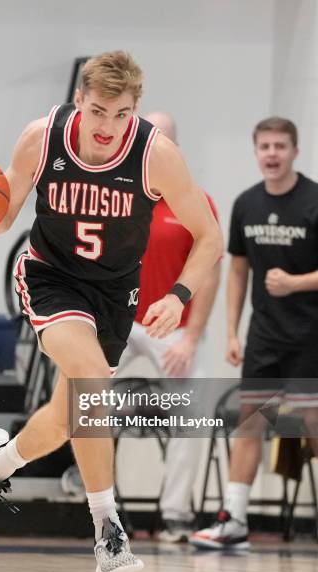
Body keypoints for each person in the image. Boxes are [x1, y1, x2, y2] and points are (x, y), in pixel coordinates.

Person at [0, 51, 222, 572]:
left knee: (67, 416)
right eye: (98, 111)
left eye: (121, 114)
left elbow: (210, 236)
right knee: (93, 383)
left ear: (135, 108)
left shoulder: (154, 155)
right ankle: (107, 528)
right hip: (51, 278)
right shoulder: (43, 136)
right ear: (80, 100)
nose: (108, 126)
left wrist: (178, 295)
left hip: (114, 294)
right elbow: (2, 214)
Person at [190, 117, 318, 550]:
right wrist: (231, 331)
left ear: (295, 151)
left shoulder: (314, 200)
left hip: (310, 336)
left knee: (313, 427)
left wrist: (296, 283)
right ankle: (234, 521)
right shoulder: (246, 203)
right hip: (264, 336)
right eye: (265, 146)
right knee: (252, 423)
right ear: (256, 152)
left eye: (280, 146)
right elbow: (238, 271)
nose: (272, 154)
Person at [116, 111, 221, 542]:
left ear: (173, 147)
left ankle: (176, 513)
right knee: (76, 396)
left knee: (190, 417)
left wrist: (192, 337)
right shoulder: (119, 194)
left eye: (162, 138)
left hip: (171, 326)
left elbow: (211, 271)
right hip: (122, 322)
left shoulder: (194, 199)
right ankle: (94, 504)